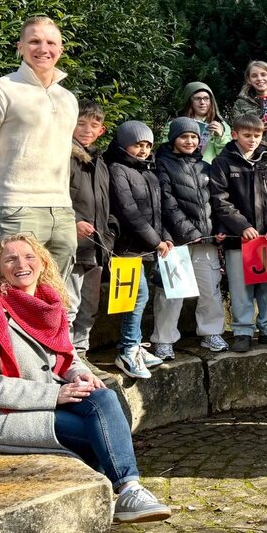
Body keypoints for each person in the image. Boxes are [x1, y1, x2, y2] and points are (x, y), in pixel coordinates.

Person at [0, 234, 171, 523]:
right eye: (10, 259)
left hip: (47, 402)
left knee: (104, 397)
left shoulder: (49, 307)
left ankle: (129, 490)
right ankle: (120, 494)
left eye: (29, 257)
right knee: (99, 433)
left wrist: (80, 374)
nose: (21, 264)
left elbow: (66, 356)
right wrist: (55, 395)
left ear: (43, 263)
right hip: (2, 416)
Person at [0, 16, 79, 276]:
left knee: (55, 295)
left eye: (51, 43)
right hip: (13, 209)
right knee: (8, 295)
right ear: (20, 47)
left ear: (61, 49)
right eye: (34, 41)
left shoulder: (68, 99)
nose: (43, 48)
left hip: (63, 212)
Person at [209, 113, 267, 352]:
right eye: (247, 135)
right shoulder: (222, 163)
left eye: (257, 135)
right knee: (241, 287)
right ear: (234, 135)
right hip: (239, 238)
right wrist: (242, 226)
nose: (252, 140)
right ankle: (242, 331)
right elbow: (220, 201)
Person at [153, 118, 230, 358]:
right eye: (184, 136)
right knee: (172, 293)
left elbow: (216, 201)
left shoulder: (205, 166)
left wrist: (218, 229)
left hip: (206, 240)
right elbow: (166, 202)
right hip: (175, 241)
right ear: (173, 138)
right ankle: (164, 339)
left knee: (210, 288)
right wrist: (190, 233)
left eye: (194, 137)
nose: (189, 141)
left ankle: (211, 332)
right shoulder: (162, 164)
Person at [106, 121, 173, 379]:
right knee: (136, 297)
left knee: (138, 297)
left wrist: (164, 238)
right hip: (126, 247)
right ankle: (128, 349)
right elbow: (128, 212)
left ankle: (133, 343)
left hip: (145, 247)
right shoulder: (117, 169)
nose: (143, 150)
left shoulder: (148, 172)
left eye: (147, 145)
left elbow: (158, 211)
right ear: (124, 144)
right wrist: (156, 241)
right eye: (137, 144)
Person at [67, 100, 116, 358]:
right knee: (69, 304)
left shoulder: (100, 161)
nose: (87, 130)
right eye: (81, 123)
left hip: (97, 247)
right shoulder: (64, 155)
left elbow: (107, 204)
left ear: (101, 130)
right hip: (72, 245)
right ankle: (66, 357)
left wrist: (110, 233)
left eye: (94, 125)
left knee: (89, 305)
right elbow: (54, 194)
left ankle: (81, 353)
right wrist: (72, 221)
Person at [168, 81, 229, 163]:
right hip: (180, 166)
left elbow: (227, 155)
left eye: (206, 98)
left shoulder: (222, 125)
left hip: (209, 168)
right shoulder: (174, 124)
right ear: (189, 101)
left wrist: (220, 137)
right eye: (197, 99)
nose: (202, 102)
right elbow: (166, 150)